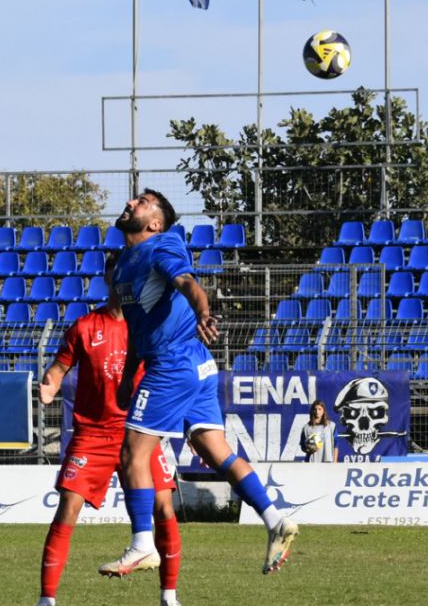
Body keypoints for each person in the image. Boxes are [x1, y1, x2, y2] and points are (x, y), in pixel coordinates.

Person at [107, 190, 299, 575]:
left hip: (173, 366)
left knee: (132, 453)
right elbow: (137, 325)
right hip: (195, 365)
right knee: (215, 451)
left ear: (155, 222)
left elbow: (189, 284)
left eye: (143, 202)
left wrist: (204, 313)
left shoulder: (161, 247)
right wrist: (129, 372)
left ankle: (143, 544)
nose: (131, 203)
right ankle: (275, 518)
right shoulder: (123, 263)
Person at [27, 255, 186, 606]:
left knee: (164, 508)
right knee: (67, 507)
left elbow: (173, 373)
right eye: (117, 279)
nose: (123, 286)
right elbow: (59, 367)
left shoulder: (150, 326)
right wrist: (49, 385)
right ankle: (46, 601)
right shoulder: (85, 326)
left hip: (140, 432)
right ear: (107, 281)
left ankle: (169, 598)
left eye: (130, 279)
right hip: (93, 435)